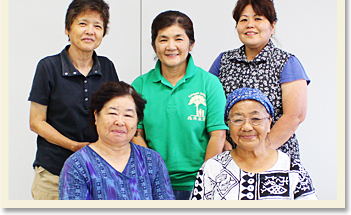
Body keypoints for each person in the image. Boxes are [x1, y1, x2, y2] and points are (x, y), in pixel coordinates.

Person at [131, 10, 228, 200]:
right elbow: (137, 134)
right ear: (154, 45)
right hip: (152, 183)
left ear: (191, 44)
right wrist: (153, 173)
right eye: (163, 39)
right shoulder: (140, 85)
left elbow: (218, 134)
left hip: (198, 183)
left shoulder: (209, 83)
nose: (171, 46)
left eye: (178, 39)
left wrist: (204, 179)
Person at [28, 0, 119, 200]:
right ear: (68, 29)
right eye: (83, 23)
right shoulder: (48, 66)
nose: (90, 31)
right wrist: (73, 146)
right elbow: (36, 122)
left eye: (97, 26)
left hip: (98, 172)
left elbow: (115, 115)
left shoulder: (107, 67)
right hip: (54, 173)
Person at [209, 0, 310, 159]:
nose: (250, 25)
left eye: (258, 19)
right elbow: (210, 108)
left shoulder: (287, 62)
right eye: (243, 19)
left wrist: (261, 151)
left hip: (274, 157)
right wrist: (222, 141)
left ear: (272, 25)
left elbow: (294, 116)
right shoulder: (223, 61)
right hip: (229, 156)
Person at [190, 88, 317, 200]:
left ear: (269, 123)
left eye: (255, 119)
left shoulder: (292, 169)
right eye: (238, 120)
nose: (246, 127)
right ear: (228, 124)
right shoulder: (212, 168)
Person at [59, 82, 174, 200]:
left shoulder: (152, 160)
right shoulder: (77, 165)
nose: (120, 122)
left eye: (128, 115)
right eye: (112, 113)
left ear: (137, 121)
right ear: (96, 116)